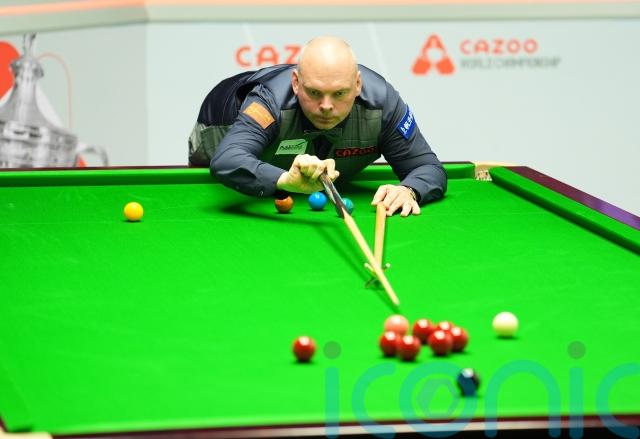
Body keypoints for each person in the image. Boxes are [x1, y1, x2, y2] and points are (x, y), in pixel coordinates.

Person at [189, 36, 447, 216]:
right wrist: (285, 180)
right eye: (314, 92)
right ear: (296, 83)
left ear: (357, 85)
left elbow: (427, 167)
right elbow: (227, 160)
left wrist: (410, 190)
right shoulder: (269, 101)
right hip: (219, 124)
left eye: (339, 93)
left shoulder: (383, 104)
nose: (326, 106)